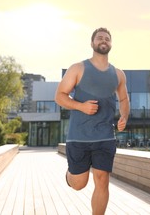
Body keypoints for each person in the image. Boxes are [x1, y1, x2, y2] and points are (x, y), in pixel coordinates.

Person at [55, 27, 130, 214]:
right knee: (79, 184)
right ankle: (69, 176)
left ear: (111, 44)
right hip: (79, 137)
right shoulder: (78, 68)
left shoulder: (118, 74)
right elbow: (59, 96)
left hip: (105, 136)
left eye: (107, 38)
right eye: (99, 38)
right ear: (92, 43)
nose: (103, 40)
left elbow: (123, 99)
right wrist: (81, 106)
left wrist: (124, 116)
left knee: (102, 179)